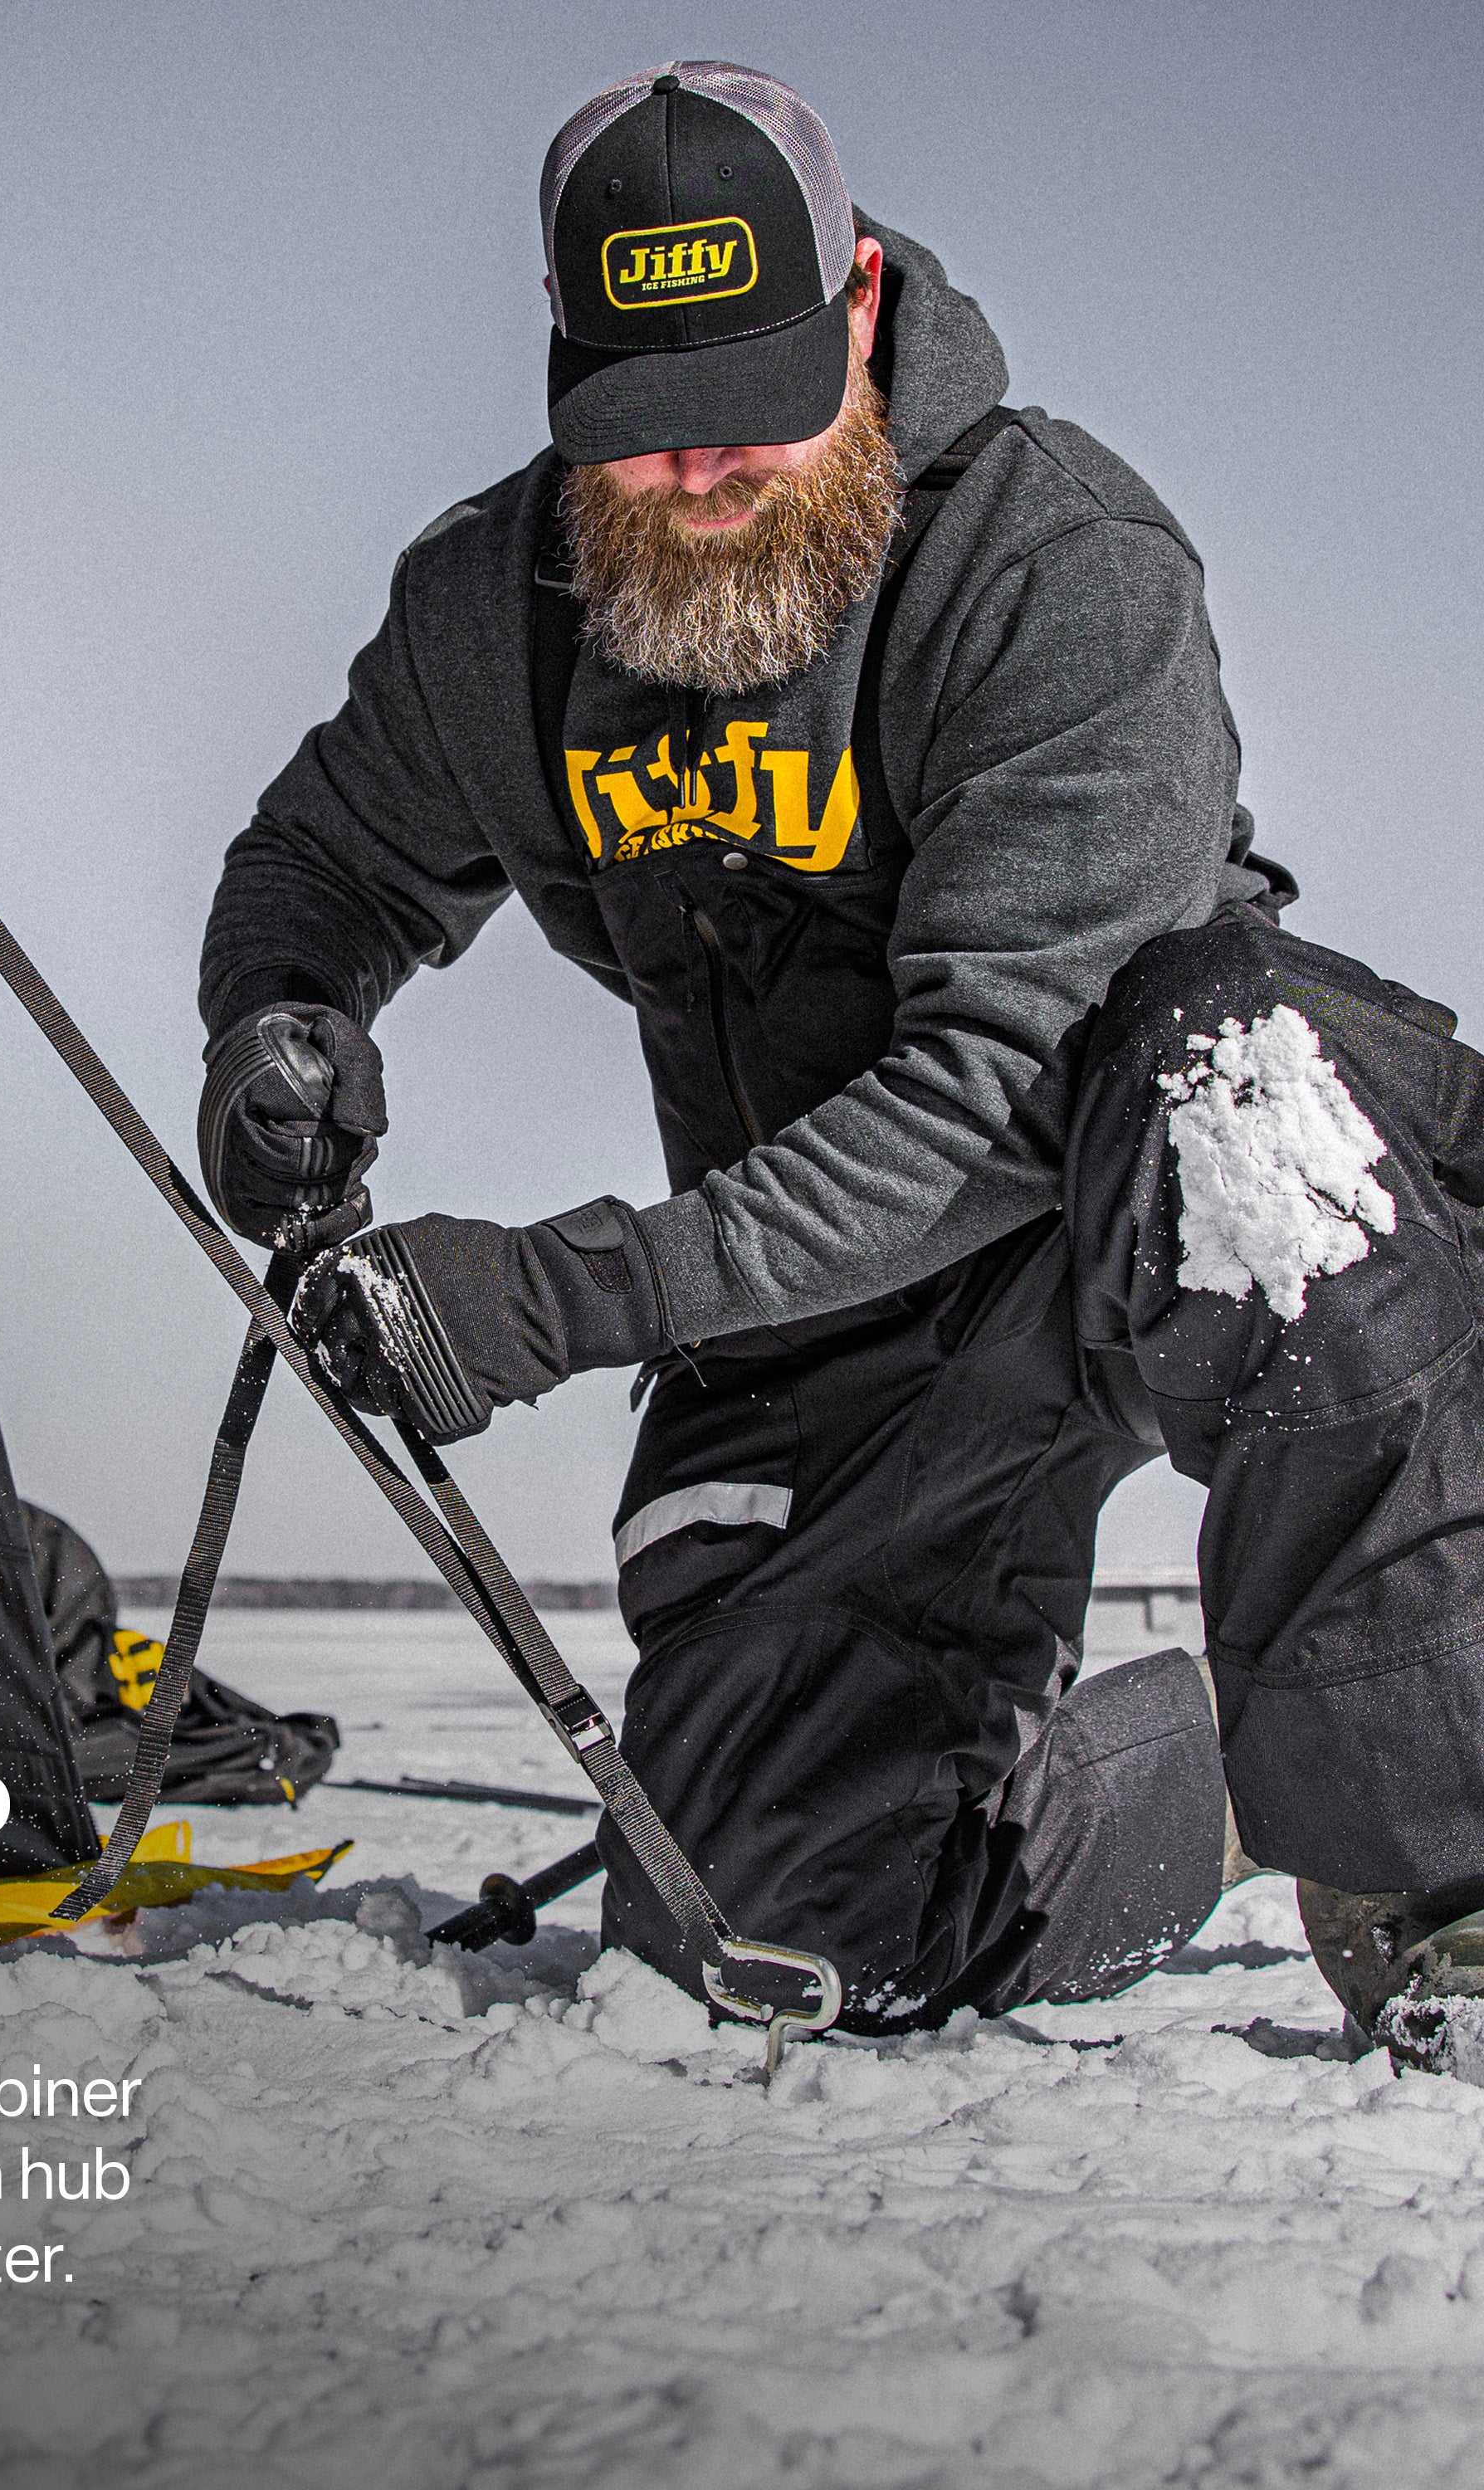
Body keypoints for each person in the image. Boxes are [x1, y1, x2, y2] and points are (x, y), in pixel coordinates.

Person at [193, 61, 1484, 2058]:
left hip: (1118, 1204)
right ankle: (1229, 1754)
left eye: (756, 405)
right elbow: (320, 855)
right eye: (640, 432)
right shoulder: (493, 612)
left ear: (861, 307)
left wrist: (552, 1297)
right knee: (762, 1929)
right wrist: (284, 1024)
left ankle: (1438, 1862)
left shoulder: (1057, 566)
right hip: (831, 1310)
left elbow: (996, 1092)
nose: (704, 471)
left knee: (1229, 1070)